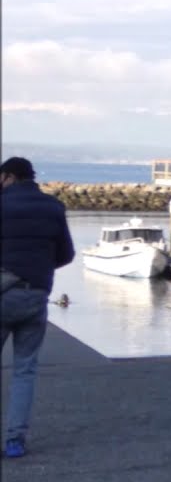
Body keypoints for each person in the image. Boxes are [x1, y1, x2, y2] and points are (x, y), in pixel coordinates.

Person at [0, 157, 75, 459]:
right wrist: (38, 268)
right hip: (35, 295)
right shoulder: (54, 207)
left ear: (8, 177)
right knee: (25, 370)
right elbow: (67, 254)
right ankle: (15, 440)